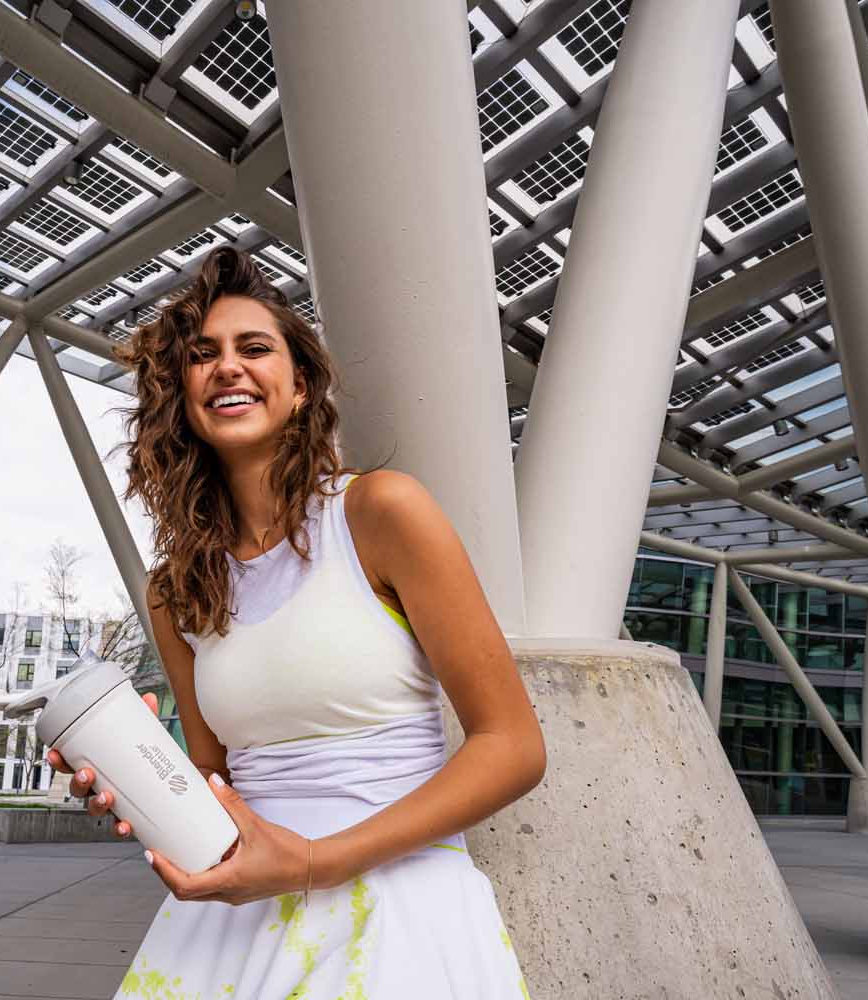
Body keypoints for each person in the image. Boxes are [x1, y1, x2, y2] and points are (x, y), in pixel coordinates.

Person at [45, 246, 546, 998]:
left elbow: (513, 747)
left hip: (401, 916)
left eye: (255, 348)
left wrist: (316, 862)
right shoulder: (174, 592)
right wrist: (134, 775)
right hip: (235, 925)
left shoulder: (382, 512)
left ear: (302, 385)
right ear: (181, 394)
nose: (228, 366)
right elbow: (217, 779)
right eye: (202, 355)